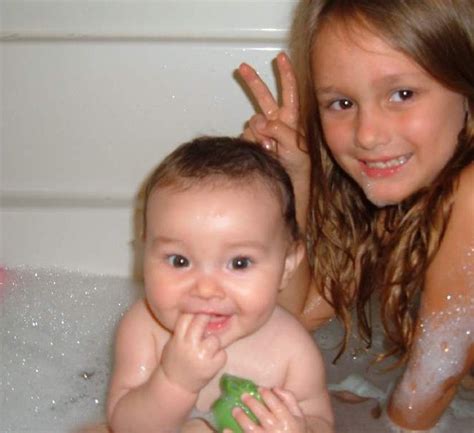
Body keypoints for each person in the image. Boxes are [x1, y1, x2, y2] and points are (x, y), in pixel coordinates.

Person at [237, 0, 473, 430]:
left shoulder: (471, 194)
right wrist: (296, 181)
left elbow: (432, 386)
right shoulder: (398, 199)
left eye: (402, 94)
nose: (367, 134)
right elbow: (296, 317)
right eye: (341, 103)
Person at [106, 136, 334, 433]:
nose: (205, 290)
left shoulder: (292, 351)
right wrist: (174, 381)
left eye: (239, 263)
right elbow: (125, 426)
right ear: (144, 249)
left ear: (287, 266)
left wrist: (300, 430)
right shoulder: (144, 330)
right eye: (179, 261)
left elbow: (321, 422)